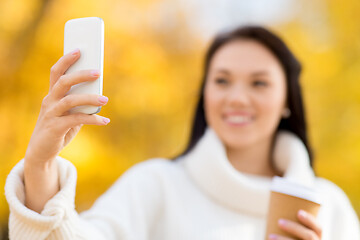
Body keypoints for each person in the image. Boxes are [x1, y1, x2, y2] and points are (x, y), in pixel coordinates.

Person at [5, 25, 360, 240]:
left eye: (259, 83)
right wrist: (41, 163)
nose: (237, 98)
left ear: (287, 100)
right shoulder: (154, 185)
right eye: (221, 81)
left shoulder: (330, 207)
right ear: (205, 94)